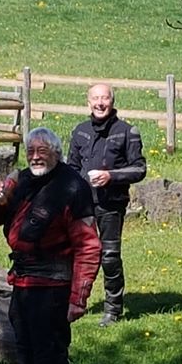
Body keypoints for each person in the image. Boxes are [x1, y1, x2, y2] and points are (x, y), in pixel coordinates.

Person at [0, 127, 101, 364]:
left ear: (57, 153)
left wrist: (79, 298)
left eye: (42, 151)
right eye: (31, 151)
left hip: (53, 290)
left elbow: (89, 246)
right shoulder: (19, 180)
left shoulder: (72, 187)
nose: (36, 156)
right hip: (22, 286)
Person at [67, 83, 147, 327]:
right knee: (78, 255)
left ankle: (113, 309)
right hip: (82, 205)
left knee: (109, 256)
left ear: (112, 102)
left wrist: (112, 176)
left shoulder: (127, 132)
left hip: (111, 204)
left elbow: (139, 168)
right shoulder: (79, 131)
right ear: (88, 102)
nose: (100, 103)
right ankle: (74, 304)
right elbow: (70, 168)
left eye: (105, 98)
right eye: (95, 99)